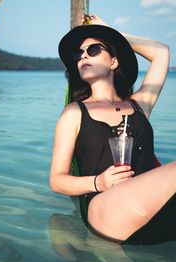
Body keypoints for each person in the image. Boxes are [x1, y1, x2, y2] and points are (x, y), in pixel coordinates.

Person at [50, 15, 176, 245]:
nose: (84, 56)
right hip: (105, 208)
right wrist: (99, 182)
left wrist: (111, 33)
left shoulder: (139, 104)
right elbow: (57, 180)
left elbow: (161, 52)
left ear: (114, 61)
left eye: (94, 49)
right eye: (79, 54)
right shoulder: (74, 113)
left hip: (150, 207)